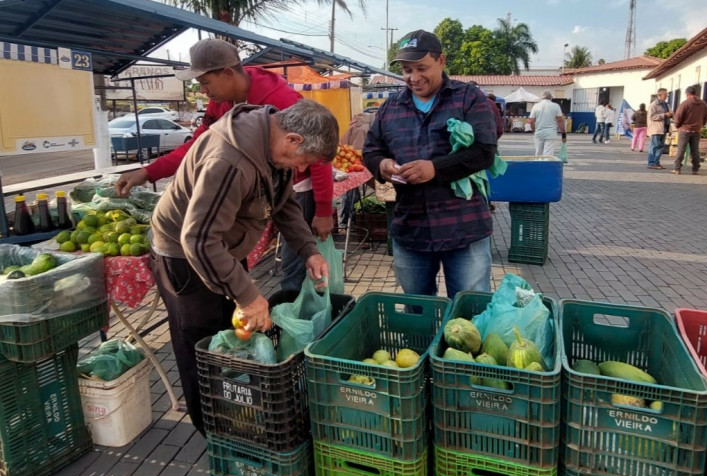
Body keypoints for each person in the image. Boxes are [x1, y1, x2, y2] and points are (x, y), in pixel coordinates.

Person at [149, 100, 339, 435]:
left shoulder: (273, 147)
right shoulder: (230, 160)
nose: (302, 168)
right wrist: (248, 296)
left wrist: (308, 250)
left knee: (233, 333)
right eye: (305, 161)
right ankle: (213, 431)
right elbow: (199, 240)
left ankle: (238, 415)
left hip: (220, 247)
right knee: (203, 347)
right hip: (186, 256)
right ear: (293, 139)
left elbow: (284, 204)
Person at [112, 38, 334, 290]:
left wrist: (323, 210)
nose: (203, 91)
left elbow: (316, 157)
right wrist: (150, 171)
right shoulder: (224, 125)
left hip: (253, 215)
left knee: (265, 277)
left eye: (205, 82)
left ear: (228, 74)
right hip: (191, 242)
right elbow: (197, 145)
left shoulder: (282, 103)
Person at [362, 29, 497, 299]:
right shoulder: (390, 108)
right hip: (411, 227)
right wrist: (383, 165)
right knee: (417, 309)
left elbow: (484, 151)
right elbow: (371, 150)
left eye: (421, 68)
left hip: (463, 226)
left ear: (441, 61)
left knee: (470, 309)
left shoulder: (468, 98)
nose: (414, 77)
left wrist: (435, 169)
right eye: (407, 70)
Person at [672, 85, 707, 175]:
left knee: (681, 149)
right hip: (696, 130)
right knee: (695, 150)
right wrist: (701, 124)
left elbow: (678, 116)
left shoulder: (685, 103)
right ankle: (695, 169)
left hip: (684, 129)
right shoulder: (703, 104)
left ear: (687, 94)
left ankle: (677, 168)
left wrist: (677, 125)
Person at [529, 91, 565, 156]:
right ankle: (547, 162)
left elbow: (531, 121)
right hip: (551, 133)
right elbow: (560, 121)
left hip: (539, 132)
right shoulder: (556, 106)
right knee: (548, 155)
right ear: (551, 98)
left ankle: (538, 162)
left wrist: (534, 131)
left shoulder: (536, 106)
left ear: (541, 97)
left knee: (538, 153)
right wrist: (563, 135)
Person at [647, 88, 672, 170]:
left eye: (667, 94)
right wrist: (664, 115)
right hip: (656, 128)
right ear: (660, 95)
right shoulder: (654, 105)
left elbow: (669, 113)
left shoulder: (666, 104)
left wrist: (671, 114)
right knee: (654, 146)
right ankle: (651, 163)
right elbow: (652, 116)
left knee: (661, 147)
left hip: (664, 128)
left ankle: (656, 162)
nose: (666, 96)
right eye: (665, 94)